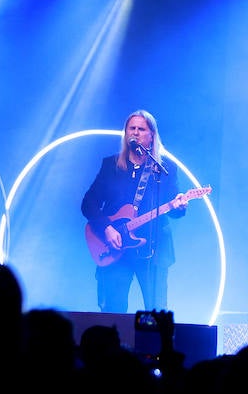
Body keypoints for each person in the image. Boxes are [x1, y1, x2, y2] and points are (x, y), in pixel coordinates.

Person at [81, 110, 191, 313]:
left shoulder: (165, 168)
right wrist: (106, 228)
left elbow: (173, 209)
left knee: (156, 312)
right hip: (115, 248)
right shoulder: (111, 165)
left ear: (152, 135)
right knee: (112, 310)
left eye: (141, 129)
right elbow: (88, 203)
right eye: (132, 128)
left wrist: (179, 206)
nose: (136, 133)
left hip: (153, 250)